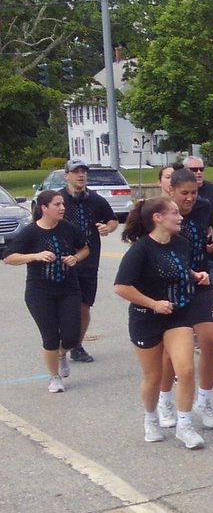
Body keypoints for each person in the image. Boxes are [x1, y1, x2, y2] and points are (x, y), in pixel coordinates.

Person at [113, 197, 210, 448]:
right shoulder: (140, 250)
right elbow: (121, 287)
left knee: (185, 370)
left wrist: (195, 275)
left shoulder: (181, 244)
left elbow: (179, 266)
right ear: (158, 218)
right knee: (153, 377)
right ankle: (151, 418)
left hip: (178, 315)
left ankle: (184, 426)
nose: (180, 217)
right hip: (146, 319)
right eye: (174, 213)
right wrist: (153, 304)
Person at [156, 169, 213, 431]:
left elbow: (211, 243)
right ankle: (164, 400)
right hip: (171, 287)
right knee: (171, 354)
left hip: (201, 282)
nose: (190, 198)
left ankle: (204, 401)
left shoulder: (204, 207)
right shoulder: (160, 212)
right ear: (171, 190)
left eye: (194, 192)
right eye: (184, 193)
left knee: (212, 340)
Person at [3, 190, 88, 393]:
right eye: (57, 205)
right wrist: (35, 256)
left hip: (68, 289)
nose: (62, 208)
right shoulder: (31, 232)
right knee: (50, 337)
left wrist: (76, 258)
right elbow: (8, 257)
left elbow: (85, 248)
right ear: (44, 208)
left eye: (62, 204)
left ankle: (62, 354)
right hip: (39, 292)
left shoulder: (68, 228)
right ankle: (54, 377)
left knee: (71, 336)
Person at [59, 158, 117, 364]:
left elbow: (112, 220)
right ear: (67, 175)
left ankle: (76, 346)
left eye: (83, 171)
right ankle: (61, 343)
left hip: (89, 261)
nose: (81, 175)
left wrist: (108, 228)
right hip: (63, 261)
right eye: (76, 172)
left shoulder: (96, 200)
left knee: (84, 306)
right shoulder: (58, 200)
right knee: (66, 306)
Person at [183, 157, 213, 289]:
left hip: (212, 254)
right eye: (194, 170)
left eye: (201, 169)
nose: (199, 173)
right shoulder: (179, 198)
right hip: (189, 256)